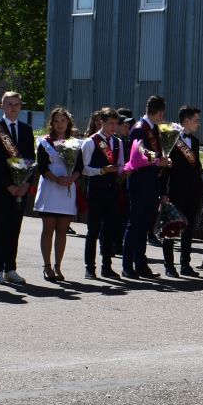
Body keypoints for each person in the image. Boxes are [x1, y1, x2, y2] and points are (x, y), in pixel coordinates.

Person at [0, 91, 33, 287]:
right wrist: (10, 185)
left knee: (15, 228)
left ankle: (11, 268)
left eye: (17, 104)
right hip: (3, 187)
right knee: (1, 228)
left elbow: (31, 159)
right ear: (2, 106)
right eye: (10, 104)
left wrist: (25, 183)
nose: (14, 108)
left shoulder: (26, 129)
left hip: (21, 187)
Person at [121, 96, 167, 279]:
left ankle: (141, 263)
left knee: (144, 225)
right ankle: (127, 265)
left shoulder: (153, 128)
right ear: (160, 113)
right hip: (140, 182)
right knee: (135, 224)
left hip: (151, 182)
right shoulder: (140, 129)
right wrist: (158, 160)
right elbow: (137, 155)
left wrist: (161, 161)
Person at [33, 107, 80, 281]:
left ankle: (58, 266)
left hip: (67, 189)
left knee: (62, 230)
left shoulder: (75, 142)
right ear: (51, 123)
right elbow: (42, 167)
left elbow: (80, 167)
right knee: (48, 229)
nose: (60, 124)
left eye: (63, 120)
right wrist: (57, 179)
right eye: (56, 121)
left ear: (68, 122)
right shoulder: (45, 142)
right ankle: (47, 266)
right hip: (50, 188)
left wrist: (71, 178)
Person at [80, 108, 125, 279]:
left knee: (109, 230)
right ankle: (89, 267)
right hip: (96, 190)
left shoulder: (118, 142)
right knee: (93, 230)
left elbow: (120, 165)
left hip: (112, 190)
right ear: (102, 123)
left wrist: (124, 171)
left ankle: (107, 266)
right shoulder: (91, 142)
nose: (114, 127)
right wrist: (101, 171)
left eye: (116, 123)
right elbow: (83, 169)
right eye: (111, 123)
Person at [162, 106, 203, 278]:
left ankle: (185, 263)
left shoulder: (194, 141)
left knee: (188, 228)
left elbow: (196, 166)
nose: (198, 124)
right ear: (186, 121)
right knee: (171, 228)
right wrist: (163, 192)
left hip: (192, 191)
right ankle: (169, 265)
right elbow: (165, 170)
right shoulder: (171, 138)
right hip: (175, 190)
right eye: (196, 120)